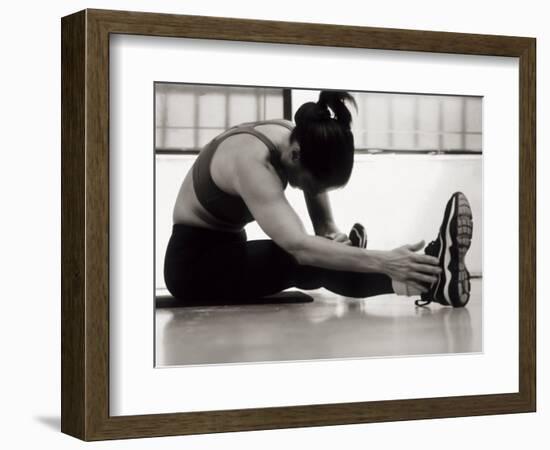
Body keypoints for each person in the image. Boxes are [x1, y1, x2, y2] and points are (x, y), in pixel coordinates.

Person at [163, 91, 473, 308]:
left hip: (228, 249)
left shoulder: (299, 139)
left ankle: (429, 277)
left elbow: (322, 226)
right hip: (194, 267)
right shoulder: (251, 161)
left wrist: (333, 240)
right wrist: (385, 260)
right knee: (302, 259)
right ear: (295, 156)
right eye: (312, 184)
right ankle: (430, 280)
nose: (308, 190)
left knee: (323, 252)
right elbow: (299, 246)